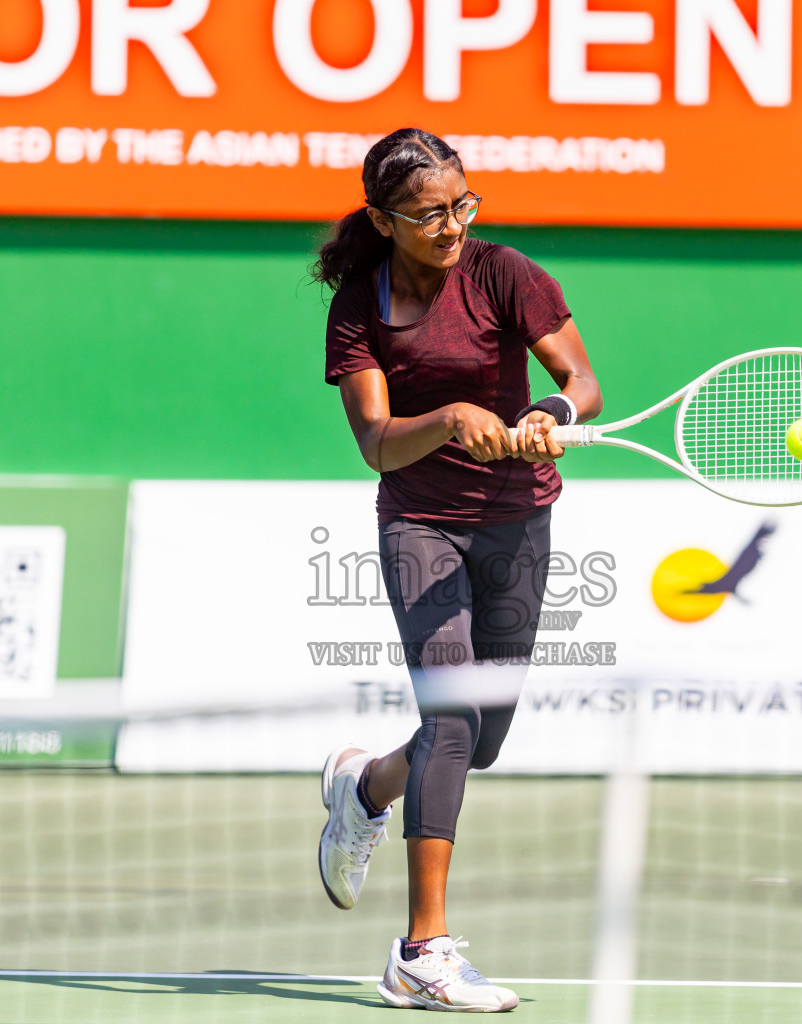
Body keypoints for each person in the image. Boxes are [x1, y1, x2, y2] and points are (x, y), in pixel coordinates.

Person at [314, 128, 602, 1012]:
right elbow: (375, 444)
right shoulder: (360, 308)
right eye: (429, 213)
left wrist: (550, 408)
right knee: (450, 714)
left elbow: (582, 378)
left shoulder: (506, 272)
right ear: (384, 218)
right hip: (420, 524)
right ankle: (422, 951)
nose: (451, 225)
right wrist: (447, 419)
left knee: (481, 740)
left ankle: (364, 788)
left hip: (518, 520)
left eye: (461, 205)